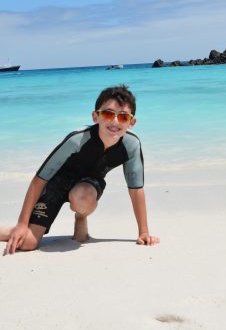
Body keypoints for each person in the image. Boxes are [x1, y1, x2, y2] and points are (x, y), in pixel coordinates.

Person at [0, 84, 159, 255]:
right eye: (107, 113)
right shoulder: (77, 139)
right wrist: (22, 224)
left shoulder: (131, 145)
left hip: (88, 186)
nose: (114, 121)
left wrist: (143, 232)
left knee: (83, 197)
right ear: (95, 116)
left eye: (123, 117)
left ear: (131, 122)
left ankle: (81, 216)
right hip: (56, 184)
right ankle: (13, 230)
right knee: (27, 243)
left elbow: (136, 190)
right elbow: (40, 179)